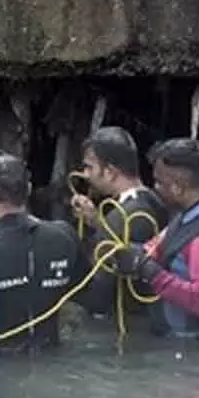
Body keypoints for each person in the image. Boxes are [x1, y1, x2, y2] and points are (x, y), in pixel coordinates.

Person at [111, 138, 199, 338]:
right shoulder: (187, 215)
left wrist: (149, 272)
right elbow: (156, 247)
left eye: (159, 182)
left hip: (189, 346)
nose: (155, 187)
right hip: (170, 334)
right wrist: (132, 254)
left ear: (178, 187)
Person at [0, 155, 80, 350]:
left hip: (2, 362)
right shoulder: (64, 235)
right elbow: (95, 299)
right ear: (28, 189)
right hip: (54, 354)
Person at [69, 127, 168, 319]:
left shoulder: (123, 217)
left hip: (127, 321)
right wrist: (96, 222)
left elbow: (99, 298)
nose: (85, 174)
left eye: (90, 167)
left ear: (110, 172)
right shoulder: (153, 201)